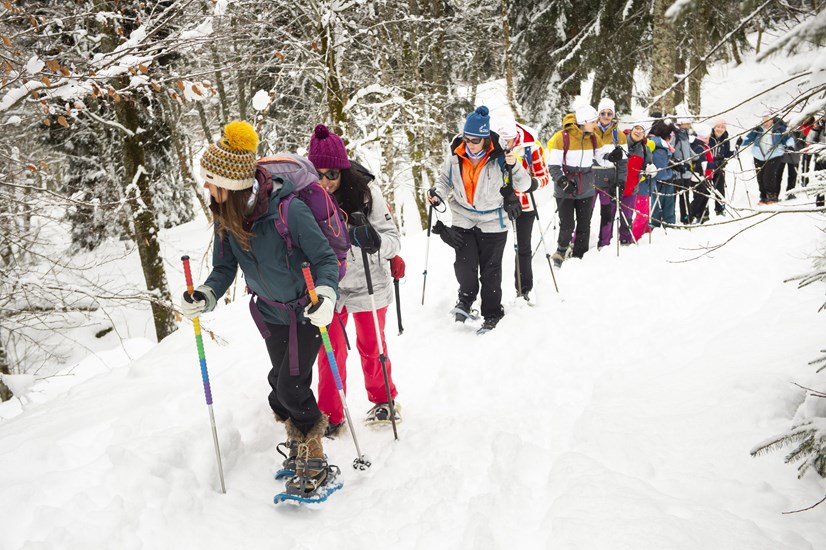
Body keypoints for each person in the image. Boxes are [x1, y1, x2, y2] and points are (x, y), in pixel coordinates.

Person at [180, 121, 339, 495]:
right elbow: (224, 269)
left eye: (211, 181)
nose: (206, 188)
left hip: (306, 311)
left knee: (291, 385)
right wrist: (205, 294)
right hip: (269, 314)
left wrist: (327, 296)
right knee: (281, 383)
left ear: (232, 185)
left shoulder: (289, 211)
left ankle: (315, 453)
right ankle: (299, 445)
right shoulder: (226, 217)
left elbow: (325, 258)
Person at [306, 124, 403, 435]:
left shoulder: (365, 193)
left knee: (372, 345)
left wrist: (373, 239)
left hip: (367, 280)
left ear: (343, 171)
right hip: (328, 286)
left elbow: (393, 240)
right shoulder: (304, 197)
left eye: (332, 174)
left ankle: (384, 400)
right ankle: (330, 414)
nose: (325, 181)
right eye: (318, 174)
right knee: (329, 351)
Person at [427, 105, 531, 333]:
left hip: (494, 219)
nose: (470, 144)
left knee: (490, 270)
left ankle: (492, 313)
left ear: (485, 139)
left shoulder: (502, 156)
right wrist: (437, 194)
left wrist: (515, 165)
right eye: (467, 138)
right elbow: (444, 180)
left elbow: (524, 185)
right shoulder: (456, 155)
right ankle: (465, 299)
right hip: (463, 216)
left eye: (475, 140)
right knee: (464, 266)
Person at [494, 117, 550, 302]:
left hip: (525, 205)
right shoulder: (492, 146)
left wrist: (532, 184)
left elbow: (544, 177)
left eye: (509, 140)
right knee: (493, 249)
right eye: (503, 140)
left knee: (523, 248)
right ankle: (491, 294)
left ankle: (523, 290)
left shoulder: (531, 148)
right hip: (498, 205)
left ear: (516, 136)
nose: (506, 144)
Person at [547, 105, 603, 267]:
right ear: (584, 121)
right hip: (566, 187)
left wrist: (611, 156)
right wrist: (563, 182)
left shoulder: (593, 137)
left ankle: (580, 254)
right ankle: (561, 251)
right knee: (567, 224)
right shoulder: (562, 137)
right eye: (593, 122)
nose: (596, 124)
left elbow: (602, 157)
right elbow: (553, 166)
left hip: (586, 186)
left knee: (584, 223)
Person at [591, 98, 628, 249]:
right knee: (584, 213)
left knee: (607, 214)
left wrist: (620, 181)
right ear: (598, 114)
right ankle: (577, 242)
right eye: (603, 113)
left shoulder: (619, 135)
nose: (606, 116)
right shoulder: (590, 130)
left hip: (609, 180)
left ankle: (604, 242)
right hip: (590, 179)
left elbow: (623, 162)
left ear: (613, 115)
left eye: (609, 113)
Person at [737, 111, 794, 205]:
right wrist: (741, 142)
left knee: (769, 176)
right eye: (764, 120)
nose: (765, 122)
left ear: (772, 120)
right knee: (760, 177)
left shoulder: (779, 129)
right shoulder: (758, 129)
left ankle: (772, 197)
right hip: (759, 155)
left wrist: (790, 145)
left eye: (768, 120)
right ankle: (763, 197)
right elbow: (749, 138)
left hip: (774, 154)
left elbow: (788, 139)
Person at [622, 121, 654, 242]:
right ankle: (604, 243)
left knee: (627, 218)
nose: (638, 132)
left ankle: (625, 240)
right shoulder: (620, 141)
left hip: (631, 189)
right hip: (614, 187)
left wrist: (650, 170)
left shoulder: (645, 149)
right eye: (636, 128)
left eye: (642, 130)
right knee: (608, 217)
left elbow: (647, 166)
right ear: (632, 129)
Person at [649, 118, 676, 228]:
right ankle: (663, 225)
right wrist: (670, 172)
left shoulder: (661, 146)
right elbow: (660, 169)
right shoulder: (660, 148)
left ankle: (667, 224)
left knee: (665, 203)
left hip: (662, 180)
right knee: (664, 204)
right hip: (661, 181)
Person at [687, 123, 716, 223]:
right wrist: (716, 164)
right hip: (698, 177)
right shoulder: (699, 147)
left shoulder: (702, 145)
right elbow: (702, 164)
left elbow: (707, 160)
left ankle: (702, 214)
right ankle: (691, 214)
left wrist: (717, 159)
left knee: (705, 196)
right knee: (699, 197)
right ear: (704, 136)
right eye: (709, 135)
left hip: (704, 176)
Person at [708, 119, 733, 215]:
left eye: (722, 127)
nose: (720, 129)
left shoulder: (725, 139)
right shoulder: (709, 136)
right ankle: (703, 213)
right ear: (714, 127)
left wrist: (734, 152)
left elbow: (726, 153)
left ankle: (720, 209)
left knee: (720, 189)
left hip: (719, 167)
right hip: (708, 167)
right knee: (705, 190)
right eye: (718, 127)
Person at [672, 117, 694, 224]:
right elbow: (671, 151)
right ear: (680, 123)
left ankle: (685, 217)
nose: (689, 124)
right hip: (677, 171)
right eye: (687, 122)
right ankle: (670, 218)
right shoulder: (674, 135)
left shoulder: (685, 134)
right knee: (674, 196)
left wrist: (700, 158)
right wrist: (676, 163)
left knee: (685, 195)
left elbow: (689, 151)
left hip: (686, 171)